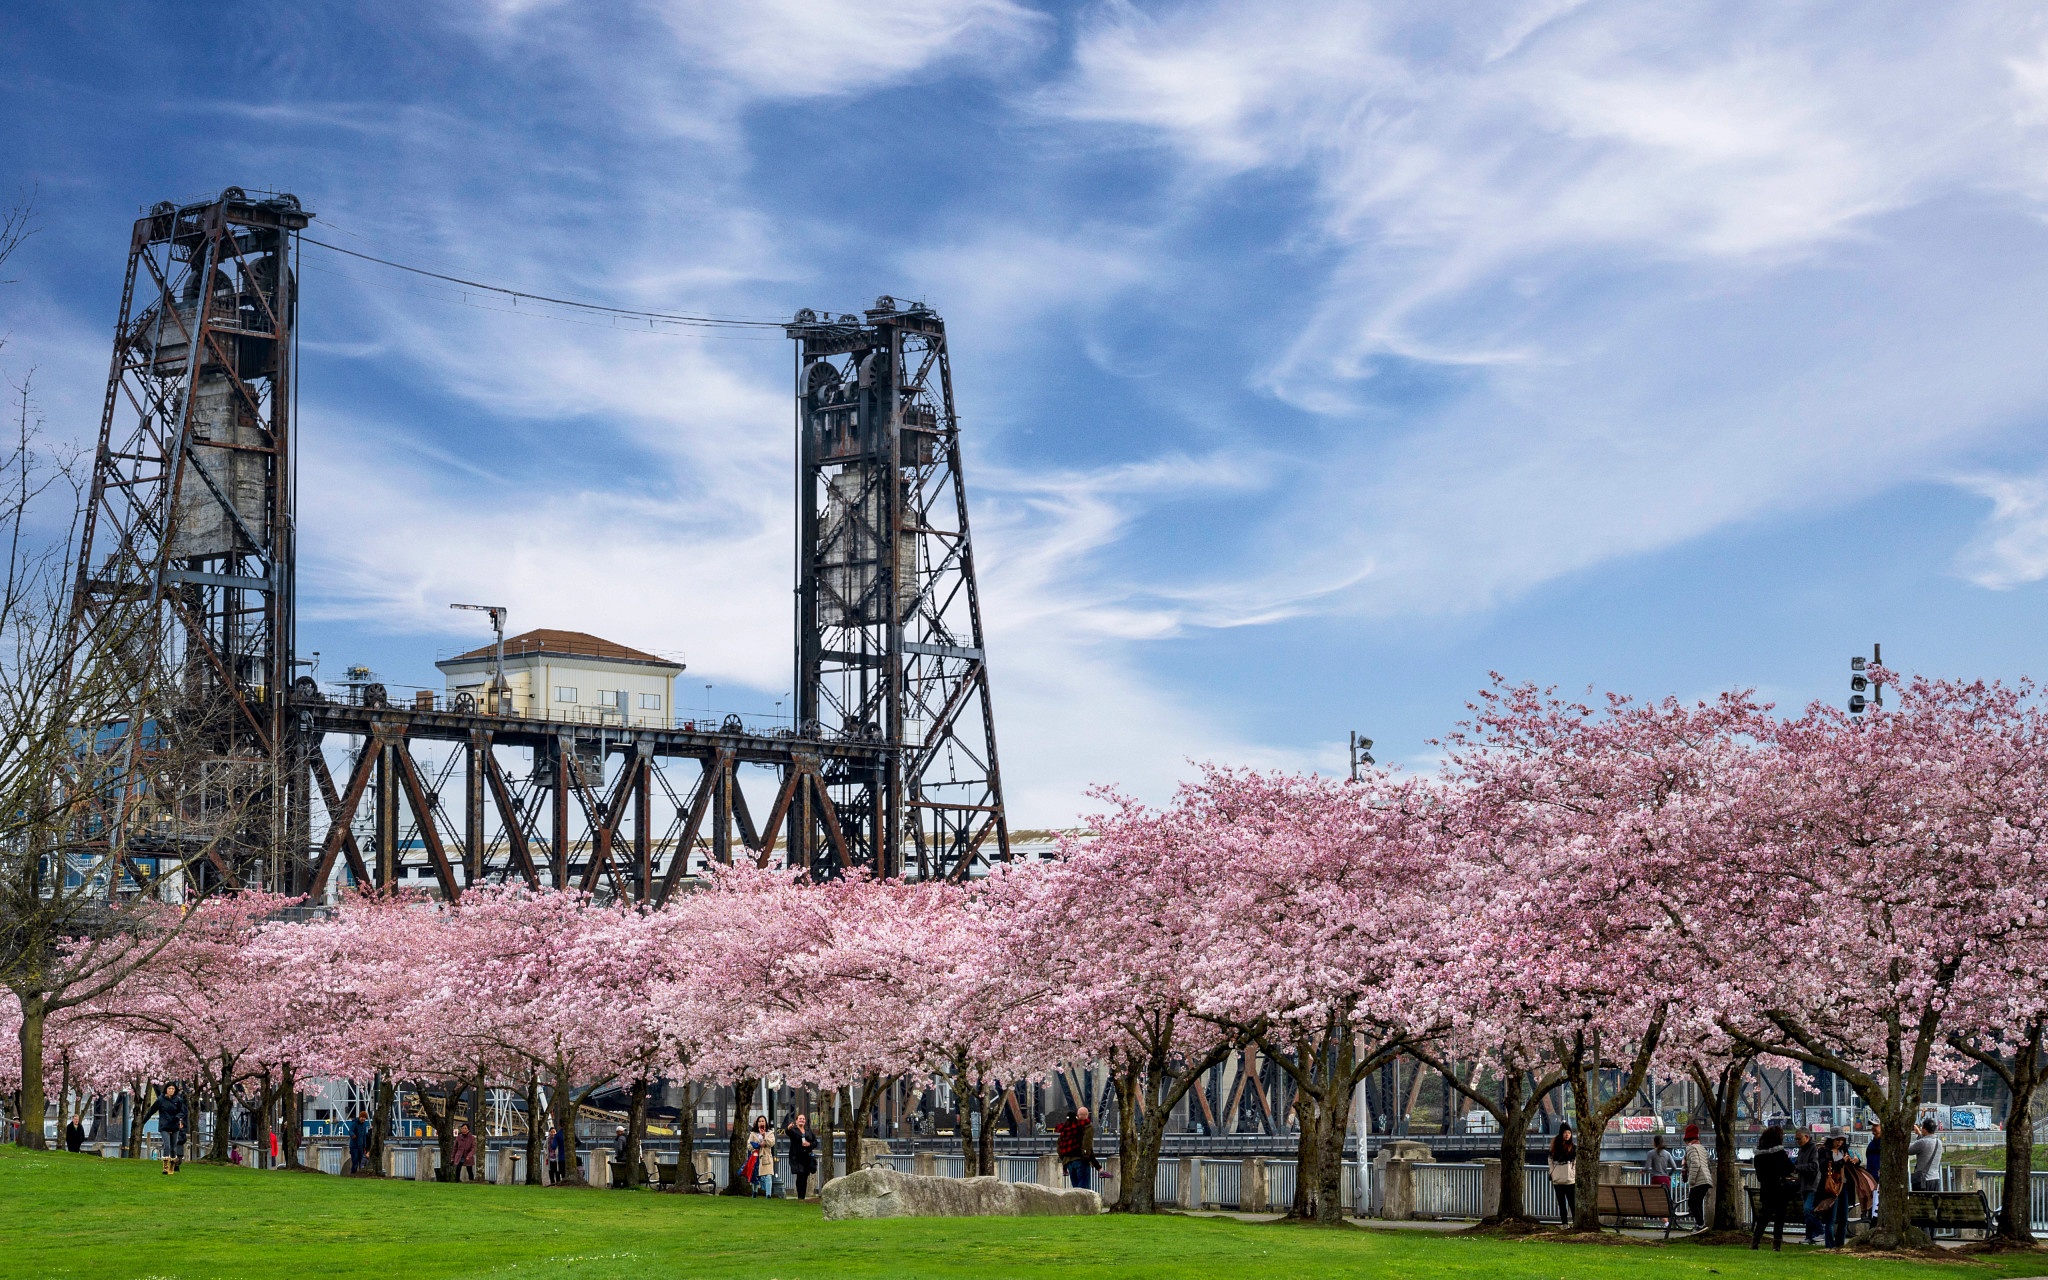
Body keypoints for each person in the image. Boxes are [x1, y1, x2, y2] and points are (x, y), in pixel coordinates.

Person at [1751, 1124, 1799, 1250]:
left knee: (1764, 1216)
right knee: (1779, 1217)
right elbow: (1789, 1168)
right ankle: (1776, 1244)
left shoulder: (1758, 1155)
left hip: (1766, 1188)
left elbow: (1760, 1175)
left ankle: (1755, 1241)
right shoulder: (1779, 1153)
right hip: (1779, 1187)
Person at [142, 1083, 189, 1176]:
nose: (171, 1090)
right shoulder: (161, 1100)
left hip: (174, 1126)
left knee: (173, 1149)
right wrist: (143, 1121)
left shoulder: (178, 1100)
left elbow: (183, 1112)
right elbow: (152, 1110)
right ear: (166, 1089)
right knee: (167, 1146)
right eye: (169, 1088)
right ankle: (165, 1167)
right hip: (164, 1126)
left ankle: (172, 1166)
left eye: (172, 1089)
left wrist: (178, 1117)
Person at [1054, 1107, 1102, 1190]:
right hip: (1081, 1160)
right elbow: (1087, 1145)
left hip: (1069, 1162)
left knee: (1075, 1189)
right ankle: (1084, 1203)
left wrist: (1064, 1158)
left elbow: (1059, 1144)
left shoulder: (1068, 1126)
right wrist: (1086, 1158)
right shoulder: (1087, 1126)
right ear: (1087, 1115)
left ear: (1078, 1115)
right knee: (1084, 1189)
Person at [784, 1111, 821, 1201]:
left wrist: (809, 1144)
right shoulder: (794, 1131)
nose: (802, 1120)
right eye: (800, 1119)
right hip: (797, 1156)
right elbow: (788, 1133)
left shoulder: (809, 1131)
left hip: (807, 1157)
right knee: (800, 1174)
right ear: (796, 1121)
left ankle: (802, 1196)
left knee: (804, 1176)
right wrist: (788, 1129)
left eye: (803, 1119)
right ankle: (800, 1195)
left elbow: (815, 1142)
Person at [1682, 1123, 1712, 1229]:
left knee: (1692, 1203)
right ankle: (1700, 1224)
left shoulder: (1691, 1148)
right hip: (1706, 1179)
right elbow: (1707, 1164)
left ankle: (1700, 1224)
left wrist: (1691, 1180)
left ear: (1687, 1139)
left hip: (1699, 1180)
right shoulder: (1702, 1148)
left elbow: (1695, 1163)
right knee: (1697, 1203)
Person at [1795, 1128, 1823, 1242]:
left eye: (1799, 1138)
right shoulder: (1802, 1150)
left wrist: (1797, 1168)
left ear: (1806, 1137)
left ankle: (1820, 1231)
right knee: (1807, 1212)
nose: (1797, 1141)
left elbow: (1814, 1167)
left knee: (1808, 1209)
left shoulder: (1813, 1149)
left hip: (1812, 1185)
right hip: (1804, 1185)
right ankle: (1809, 1236)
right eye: (1796, 1139)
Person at [1549, 1123, 1578, 1226]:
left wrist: (1572, 1173)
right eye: (1565, 1132)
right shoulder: (1554, 1147)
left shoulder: (1573, 1148)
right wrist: (1553, 1175)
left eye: (1569, 1132)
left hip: (1570, 1180)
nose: (1567, 1134)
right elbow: (1550, 1161)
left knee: (1572, 1203)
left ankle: (1575, 1224)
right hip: (1558, 1180)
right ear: (1561, 1133)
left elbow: (1575, 1162)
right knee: (1561, 1204)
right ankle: (1564, 1224)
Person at [1646, 1133, 1677, 1226]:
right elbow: (1674, 1167)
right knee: (1665, 1201)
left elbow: (1647, 1167)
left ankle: (1666, 1223)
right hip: (1666, 1179)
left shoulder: (1651, 1153)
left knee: (1657, 1202)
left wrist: (1642, 1170)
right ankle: (1668, 1221)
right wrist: (1669, 1175)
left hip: (1656, 1179)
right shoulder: (1667, 1153)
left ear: (1654, 1142)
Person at [1909, 1118, 1944, 1192]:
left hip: (1923, 1180)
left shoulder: (1923, 1142)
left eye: (1922, 1127)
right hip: (1935, 1178)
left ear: (1924, 1129)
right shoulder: (1939, 1142)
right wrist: (1919, 1134)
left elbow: (1908, 1150)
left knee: (1921, 1202)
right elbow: (1926, 1143)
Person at [746, 1115, 776, 1197]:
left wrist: (764, 1136)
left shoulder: (770, 1133)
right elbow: (749, 1145)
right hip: (755, 1157)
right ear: (757, 1123)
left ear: (766, 1123)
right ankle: (754, 1192)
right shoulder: (753, 1134)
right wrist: (757, 1145)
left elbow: (771, 1143)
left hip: (766, 1157)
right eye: (759, 1121)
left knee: (768, 1176)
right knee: (755, 1176)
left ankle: (768, 1195)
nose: (761, 1123)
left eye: (763, 1121)